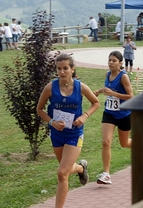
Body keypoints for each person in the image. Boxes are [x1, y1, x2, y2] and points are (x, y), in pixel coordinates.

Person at [36, 54, 100, 208]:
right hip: (57, 134)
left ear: (72, 69)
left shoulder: (81, 87)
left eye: (65, 68)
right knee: (67, 168)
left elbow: (96, 103)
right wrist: (51, 122)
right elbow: (39, 109)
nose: (62, 72)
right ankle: (81, 168)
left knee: (62, 173)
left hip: (74, 134)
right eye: (59, 68)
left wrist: (84, 116)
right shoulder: (50, 88)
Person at [93, 51, 133, 185]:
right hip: (109, 113)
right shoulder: (108, 74)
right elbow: (107, 87)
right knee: (106, 142)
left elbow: (130, 96)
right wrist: (99, 91)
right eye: (109, 60)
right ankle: (106, 174)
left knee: (125, 143)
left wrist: (114, 94)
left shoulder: (123, 77)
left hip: (124, 114)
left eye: (114, 60)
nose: (111, 62)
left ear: (121, 63)